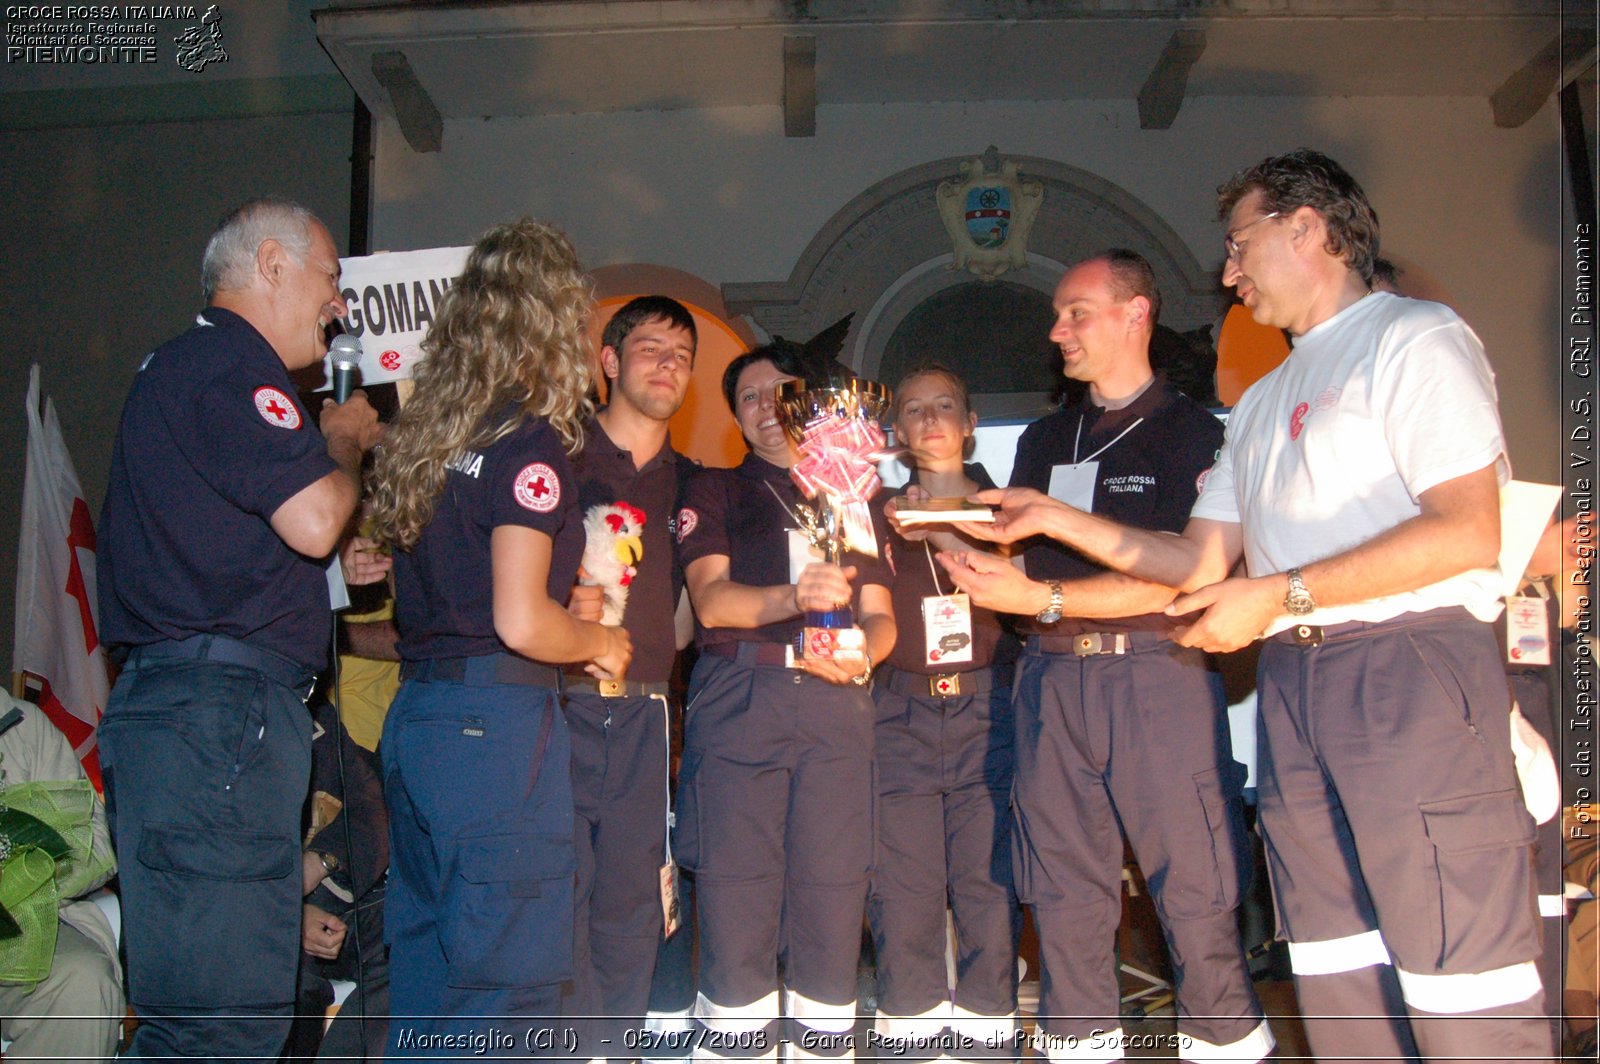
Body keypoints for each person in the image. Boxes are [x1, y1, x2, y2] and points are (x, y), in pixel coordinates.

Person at [952, 151, 1553, 1060]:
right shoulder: (1264, 401)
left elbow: (1469, 530)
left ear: (1306, 229)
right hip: (1298, 682)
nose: (1228, 272)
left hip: (1407, 668)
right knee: (1336, 964)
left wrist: (1277, 594)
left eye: (1240, 245)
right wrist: (1054, 519)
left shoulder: (1413, 338)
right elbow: (1195, 559)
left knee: (1456, 973)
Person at [935, 251, 1269, 1064]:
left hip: (1156, 676)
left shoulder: (1194, 433)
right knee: (1062, 898)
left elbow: (1187, 577)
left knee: (1193, 895)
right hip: (1049, 683)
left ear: (1136, 314)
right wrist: (958, 553)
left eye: (1076, 312)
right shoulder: (1048, 436)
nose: (1057, 331)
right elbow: (1024, 570)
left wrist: (1042, 598)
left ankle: (1224, 1042)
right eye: (1057, 314)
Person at [97, 197, 381, 1058]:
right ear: (270, 263)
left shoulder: (190, 369)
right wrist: (339, 442)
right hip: (216, 721)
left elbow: (220, 561)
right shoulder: (234, 368)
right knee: (219, 1029)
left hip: (199, 715)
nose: (341, 305)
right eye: (331, 279)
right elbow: (313, 518)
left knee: (228, 1020)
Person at [368, 218, 632, 1052]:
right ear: (555, 319)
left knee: (428, 981)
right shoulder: (529, 441)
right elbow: (521, 621)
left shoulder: (430, 436)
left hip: (419, 720)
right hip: (494, 734)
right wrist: (598, 643)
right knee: (509, 994)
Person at [674, 342, 896, 1060]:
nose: (768, 410)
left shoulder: (853, 492)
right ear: (733, 415)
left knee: (833, 904)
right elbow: (711, 603)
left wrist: (868, 650)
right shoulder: (714, 489)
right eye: (749, 398)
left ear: (810, 402)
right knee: (737, 905)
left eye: (783, 394)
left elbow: (882, 613)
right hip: (745, 696)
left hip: (836, 706)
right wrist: (793, 599)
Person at [868, 365, 1020, 1056]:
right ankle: (912, 1027)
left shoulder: (1012, 507)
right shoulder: (870, 510)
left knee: (988, 877)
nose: (930, 420)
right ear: (896, 431)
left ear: (970, 423)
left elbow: (1020, 593)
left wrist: (936, 530)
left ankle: (990, 1027)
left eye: (945, 406)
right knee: (905, 883)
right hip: (898, 710)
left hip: (987, 707)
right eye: (914, 409)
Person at [562, 295, 698, 1053]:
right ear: (609, 362)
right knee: (555, 899)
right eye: (649, 348)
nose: (668, 365)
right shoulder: (558, 458)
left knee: (633, 908)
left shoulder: (695, 484)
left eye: (681, 356)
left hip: (647, 714)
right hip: (559, 703)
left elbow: (687, 613)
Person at [0, 693, 123, 1061]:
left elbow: (95, 843)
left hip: (19, 933)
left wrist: (27, 873)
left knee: (83, 982)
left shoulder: (21, 724)